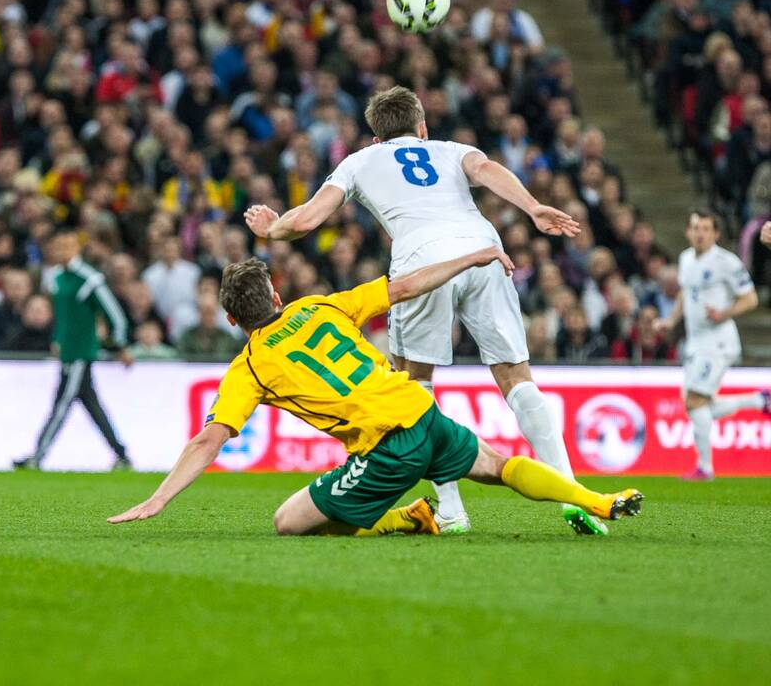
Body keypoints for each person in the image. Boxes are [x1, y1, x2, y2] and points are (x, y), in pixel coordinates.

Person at [245, 86, 604, 535]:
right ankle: (575, 497)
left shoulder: (360, 161)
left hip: (421, 262)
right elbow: (487, 169)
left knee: (414, 388)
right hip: (483, 249)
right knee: (517, 379)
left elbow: (305, 221)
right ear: (422, 128)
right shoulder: (450, 150)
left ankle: (451, 511)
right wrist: (532, 208)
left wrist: (270, 229)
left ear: (376, 138)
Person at [108, 252, 644, 534]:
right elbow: (405, 286)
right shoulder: (318, 306)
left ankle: (407, 518)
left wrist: (158, 497)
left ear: (230, 319)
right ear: (276, 293)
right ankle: (596, 499)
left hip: (387, 446)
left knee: (289, 523)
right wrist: (469, 258)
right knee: (498, 466)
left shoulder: (248, 367)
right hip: (421, 408)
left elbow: (210, 440)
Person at [654, 211, 769, 480]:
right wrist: (671, 322)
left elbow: (750, 299)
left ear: (716, 234)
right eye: (695, 228)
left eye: (705, 228)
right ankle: (758, 400)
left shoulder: (726, 262)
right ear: (688, 231)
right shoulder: (685, 259)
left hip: (718, 341)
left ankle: (704, 468)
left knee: (695, 401)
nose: (700, 233)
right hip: (696, 342)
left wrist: (724, 313)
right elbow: (685, 293)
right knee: (696, 404)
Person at [14, 230, 134, 471]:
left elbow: (115, 316)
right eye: (58, 246)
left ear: (77, 248)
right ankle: (121, 455)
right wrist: (57, 339)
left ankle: (37, 456)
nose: (62, 251)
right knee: (92, 406)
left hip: (81, 352)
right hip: (67, 352)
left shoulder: (89, 279)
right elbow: (61, 317)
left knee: (61, 403)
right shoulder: (56, 277)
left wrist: (118, 346)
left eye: (67, 245)